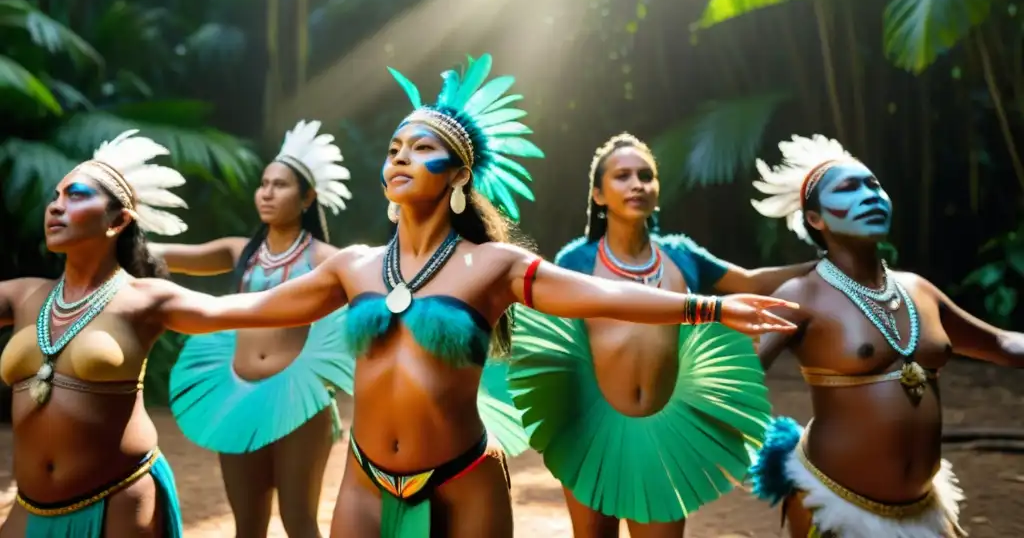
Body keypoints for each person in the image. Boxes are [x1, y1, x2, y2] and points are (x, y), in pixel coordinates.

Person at [131, 54, 799, 538]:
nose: (397, 157)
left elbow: (602, 294)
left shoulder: (493, 266)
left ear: (457, 175)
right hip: (364, 481)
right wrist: (141, 300)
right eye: (393, 147)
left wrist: (708, 307)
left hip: (462, 483)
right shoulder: (356, 267)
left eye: (420, 148)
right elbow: (234, 309)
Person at [508, 132, 816, 538]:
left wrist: (825, 264)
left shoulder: (681, 255)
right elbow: (551, 345)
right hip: (589, 432)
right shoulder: (575, 260)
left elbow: (751, 281)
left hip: (664, 437)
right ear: (598, 195)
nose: (637, 184)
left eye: (646, 175)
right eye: (622, 176)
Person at [748, 134, 1024, 537]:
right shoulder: (801, 294)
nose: (869, 195)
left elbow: (999, 344)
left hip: (924, 510)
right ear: (815, 220)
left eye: (874, 185)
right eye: (848, 188)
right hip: (834, 506)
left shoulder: (918, 290)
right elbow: (738, 372)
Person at [151, 120, 354, 538]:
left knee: (298, 520)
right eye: (264, 183)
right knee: (248, 524)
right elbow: (167, 256)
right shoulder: (240, 251)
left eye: (280, 185)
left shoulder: (326, 258)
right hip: (237, 396)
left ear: (307, 198)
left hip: (299, 403)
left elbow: (375, 289)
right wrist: (108, 231)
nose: (266, 192)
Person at [0, 130, 189, 536]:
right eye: (55, 196)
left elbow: (250, 309)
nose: (55, 207)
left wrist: (348, 273)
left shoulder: (143, 299)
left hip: (116, 501)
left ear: (118, 220)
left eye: (76, 195)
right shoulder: (24, 295)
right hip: (30, 507)